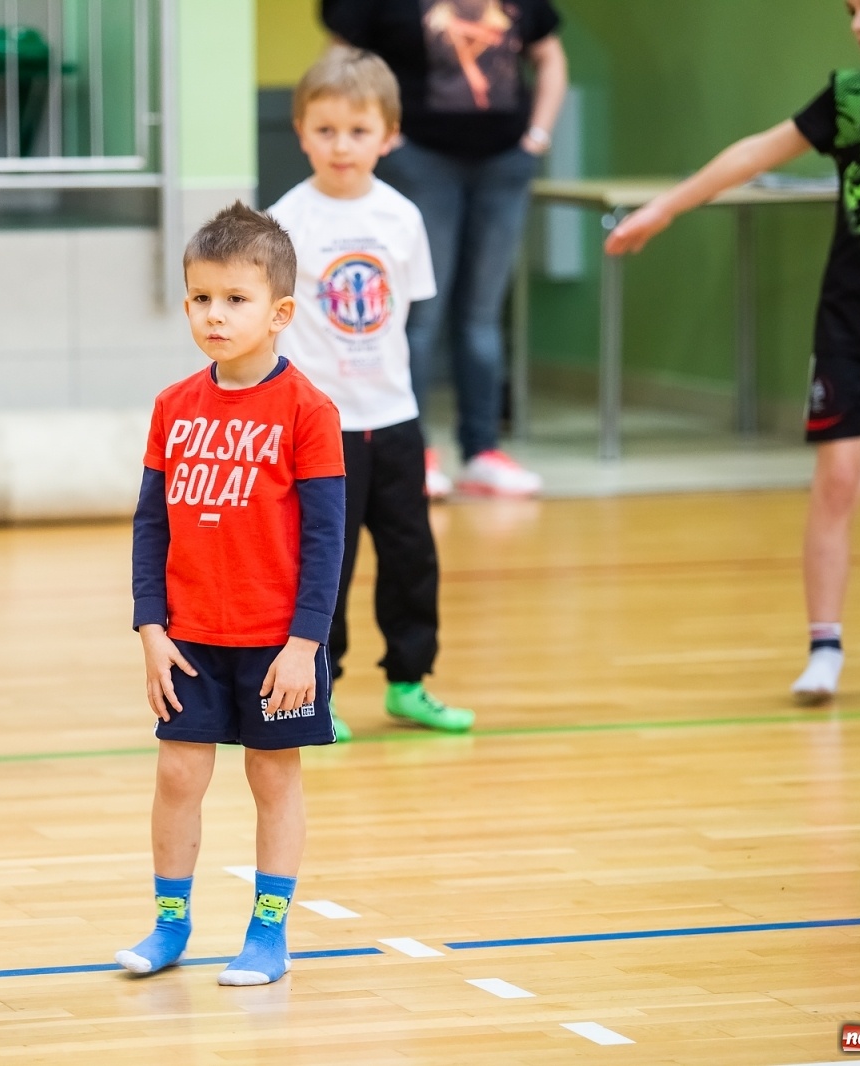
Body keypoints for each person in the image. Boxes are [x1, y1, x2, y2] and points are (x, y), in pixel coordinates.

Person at [605, 0, 860, 704]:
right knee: (839, 476)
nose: (859, 22)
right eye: (851, 9)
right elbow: (757, 151)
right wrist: (666, 207)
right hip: (849, 320)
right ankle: (824, 645)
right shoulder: (848, 98)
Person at [117, 202, 346, 986]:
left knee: (271, 779)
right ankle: (170, 924)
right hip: (190, 641)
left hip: (278, 645)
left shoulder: (309, 412)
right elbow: (152, 525)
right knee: (178, 775)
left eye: (236, 300)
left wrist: (305, 646)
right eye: (202, 298)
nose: (215, 315)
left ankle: (268, 935)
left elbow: (326, 541)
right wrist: (151, 626)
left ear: (280, 313)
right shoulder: (173, 407)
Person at [268, 48, 473, 741]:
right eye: (325, 130)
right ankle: (316, 690)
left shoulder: (401, 217)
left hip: (394, 419)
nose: (341, 146)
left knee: (412, 553)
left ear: (389, 135)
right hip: (318, 427)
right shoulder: (285, 222)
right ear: (300, 131)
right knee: (326, 562)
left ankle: (410, 682)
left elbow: (407, 317)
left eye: (358, 131)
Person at [323, 0, 567, 499]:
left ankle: (481, 451)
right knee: (418, 313)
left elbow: (550, 56)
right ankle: (413, 451)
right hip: (420, 162)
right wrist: (374, 138)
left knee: (481, 314)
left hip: (504, 164)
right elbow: (339, 65)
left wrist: (536, 139)